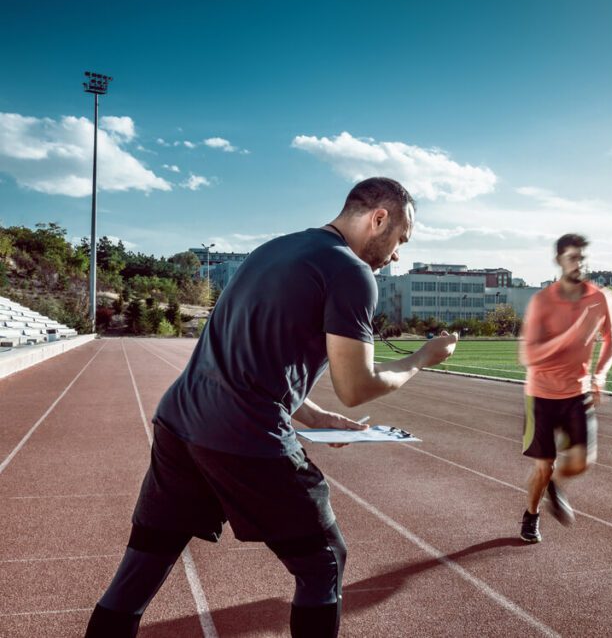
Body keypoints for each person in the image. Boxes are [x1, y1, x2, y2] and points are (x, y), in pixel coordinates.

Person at [86, 177, 458, 637]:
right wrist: (424, 357)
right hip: (243, 435)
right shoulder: (350, 272)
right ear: (378, 218)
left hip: (179, 423)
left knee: (142, 564)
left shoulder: (272, 250)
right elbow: (356, 387)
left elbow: (250, 356)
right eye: (400, 238)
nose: (397, 254)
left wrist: (314, 417)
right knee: (324, 563)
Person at [517, 233, 612, 543]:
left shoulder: (601, 298)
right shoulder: (543, 301)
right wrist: (574, 333)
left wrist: (600, 374)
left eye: (583, 257)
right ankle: (531, 515)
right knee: (543, 466)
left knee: (581, 462)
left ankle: (554, 486)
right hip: (541, 395)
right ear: (559, 261)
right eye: (573, 257)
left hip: (578, 392)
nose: (580, 263)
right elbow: (528, 355)